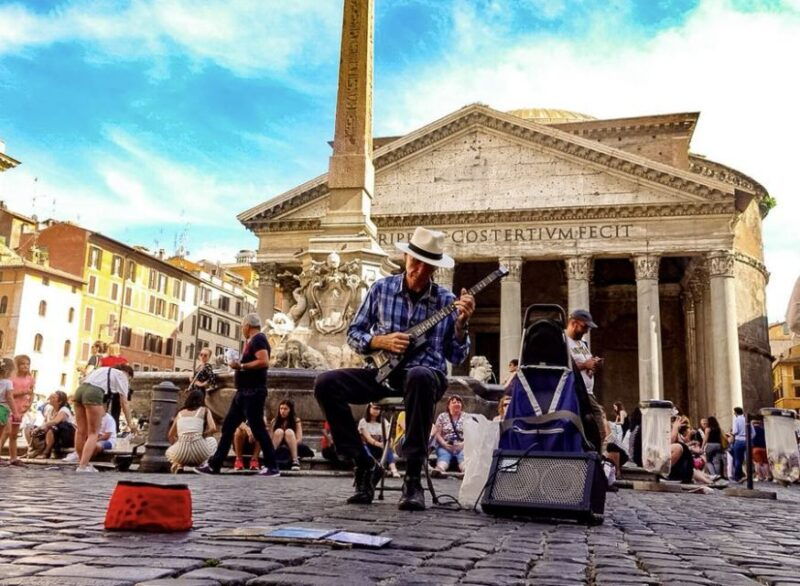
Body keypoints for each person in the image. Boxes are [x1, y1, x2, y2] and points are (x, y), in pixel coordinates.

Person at [314, 226, 474, 510]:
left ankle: (412, 477)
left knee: (419, 375)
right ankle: (363, 463)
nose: (419, 269)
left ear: (435, 268)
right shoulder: (382, 289)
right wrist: (379, 340)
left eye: (427, 265)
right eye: (415, 261)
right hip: (383, 374)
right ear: (405, 256)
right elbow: (354, 334)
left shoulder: (447, 301)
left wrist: (461, 326)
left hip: (427, 376)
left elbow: (456, 354)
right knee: (325, 383)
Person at [197, 313, 280, 476]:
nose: (242, 329)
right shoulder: (252, 341)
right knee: (228, 427)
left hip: (253, 392)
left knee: (258, 429)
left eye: (242, 326)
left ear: (248, 326)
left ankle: (273, 466)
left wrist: (241, 366)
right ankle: (215, 465)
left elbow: (264, 361)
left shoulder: (259, 339)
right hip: (244, 392)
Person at [74, 364, 134, 472]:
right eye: (130, 379)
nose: (128, 382)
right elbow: (124, 402)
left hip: (80, 390)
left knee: (80, 431)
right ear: (127, 373)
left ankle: (81, 462)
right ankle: (83, 466)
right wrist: (130, 424)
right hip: (93, 393)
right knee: (93, 433)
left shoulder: (102, 369)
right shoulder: (122, 375)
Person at [565, 309, 606, 453]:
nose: (586, 331)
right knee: (597, 426)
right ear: (573, 323)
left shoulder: (582, 344)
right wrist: (585, 365)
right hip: (577, 392)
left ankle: (595, 458)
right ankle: (595, 458)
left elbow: (584, 365)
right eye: (584, 327)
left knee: (596, 427)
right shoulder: (563, 341)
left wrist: (592, 365)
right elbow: (563, 366)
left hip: (588, 391)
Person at [166, 390, 218, 473]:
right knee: (212, 441)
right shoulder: (205, 410)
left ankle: (179, 465)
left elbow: (170, 435)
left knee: (171, 451)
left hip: (181, 455)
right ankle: (203, 464)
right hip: (199, 454)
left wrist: (178, 443)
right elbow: (213, 428)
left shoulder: (180, 413)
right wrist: (203, 434)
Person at [0, 355, 36, 466]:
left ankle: (13, 458)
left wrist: (29, 405)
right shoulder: (11, 379)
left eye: (27, 364)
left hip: (20, 409)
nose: (25, 366)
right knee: (6, 432)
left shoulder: (30, 378)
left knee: (14, 435)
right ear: (17, 366)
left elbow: (31, 393)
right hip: (9, 408)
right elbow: (8, 395)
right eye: (23, 364)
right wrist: (23, 392)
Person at [358, 403, 400, 478]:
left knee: (388, 448)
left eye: (378, 409)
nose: (376, 411)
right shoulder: (363, 422)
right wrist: (380, 444)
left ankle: (394, 470)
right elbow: (368, 439)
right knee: (364, 448)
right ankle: (379, 469)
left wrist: (389, 442)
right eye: (374, 408)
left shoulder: (383, 421)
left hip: (380, 446)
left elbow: (388, 435)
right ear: (369, 409)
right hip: (369, 446)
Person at [32, 391, 76, 459]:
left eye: (53, 397)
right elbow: (45, 422)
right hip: (55, 433)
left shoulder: (64, 410)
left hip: (67, 435)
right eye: (51, 396)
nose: (50, 398)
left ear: (60, 402)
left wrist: (40, 428)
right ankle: (34, 451)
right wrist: (38, 428)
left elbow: (55, 421)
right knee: (31, 428)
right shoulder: (50, 410)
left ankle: (46, 453)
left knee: (51, 429)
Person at [272, 399, 313, 471]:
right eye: (281, 408)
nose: (282, 411)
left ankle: (295, 460)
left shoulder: (296, 421)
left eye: (285, 409)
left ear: (290, 410)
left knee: (289, 432)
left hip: (293, 446)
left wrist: (290, 445)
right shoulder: (275, 421)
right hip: (278, 446)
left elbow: (299, 439)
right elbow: (270, 438)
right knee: (279, 431)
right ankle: (270, 459)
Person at [433, 395, 467, 475]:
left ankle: (465, 472)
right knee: (444, 456)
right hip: (446, 445)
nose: (457, 404)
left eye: (459, 402)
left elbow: (471, 433)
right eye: (453, 402)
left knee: (463, 457)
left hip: (462, 445)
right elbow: (437, 433)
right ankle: (439, 469)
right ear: (448, 406)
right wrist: (444, 444)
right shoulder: (442, 416)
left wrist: (463, 444)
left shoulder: (466, 417)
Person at [100, 343, 128, 428]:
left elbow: (101, 373)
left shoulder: (103, 360)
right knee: (116, 410)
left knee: (103, 408)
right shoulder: (124, 361)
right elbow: (125, 375)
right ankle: (115, 428)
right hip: (117, 387)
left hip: (105, 387)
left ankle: (102, 426)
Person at [0, 358, 20, 465]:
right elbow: (10, 397)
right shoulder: (8, 382)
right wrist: (15, 412)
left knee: (7, 431)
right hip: (3, 409)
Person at [730, 406, 747, 482]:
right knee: (746, 459)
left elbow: (735, 431)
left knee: (737, 459)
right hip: (747, 440)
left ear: (736, 412)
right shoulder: (746, 419)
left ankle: (737, 476)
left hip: (739, 440)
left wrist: (731, 433)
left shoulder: (736, 420)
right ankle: (748, 475)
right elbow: (753, 433)